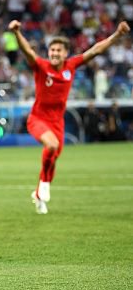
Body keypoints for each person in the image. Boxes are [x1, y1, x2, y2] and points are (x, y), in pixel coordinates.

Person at [9, 19, 130, 214]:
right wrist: (16, 33)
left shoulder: (70, 66)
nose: (55, 53)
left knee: (54, 156)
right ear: (49, 53)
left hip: (57, 122)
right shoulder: (41, 67)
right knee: (51, 146)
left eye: (59, 50)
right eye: (52, 50)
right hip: (38, 119)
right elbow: (28, 52)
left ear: (66, 53)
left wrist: (117, 34)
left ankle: (40, 194)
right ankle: (44, 184)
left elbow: (95, 50)